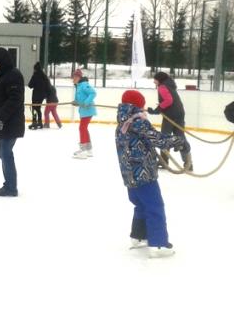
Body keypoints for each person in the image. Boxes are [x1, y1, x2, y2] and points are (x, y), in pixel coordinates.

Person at [115, 90, 188, 258]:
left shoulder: (122, 122)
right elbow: (159, 140)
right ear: (137, 105)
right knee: (155, 206)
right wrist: (180, 141)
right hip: (143, 173)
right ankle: (159, 244)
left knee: (141, 205)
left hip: (129, 174)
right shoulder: (138, 122)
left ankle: (139, 236)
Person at [0, 47, 25, 197]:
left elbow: (14, 99)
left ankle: (11, 187)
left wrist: (0, 118)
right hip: (7, 122)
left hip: (11, 122)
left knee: (5, 152)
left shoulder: (13, 76)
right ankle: (9, 184)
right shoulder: (5, 75)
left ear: (1, 61)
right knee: (3, 152)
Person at [147, 71, 192, 169]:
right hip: (179, 114)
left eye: (155, 80)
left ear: (159, 79)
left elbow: (168, 100)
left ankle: (164, 162)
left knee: (164, 138)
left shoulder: (162, 87)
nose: (154, 82)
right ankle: (189, 163)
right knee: (180, 137)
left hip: (170, 116)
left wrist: (156, 110)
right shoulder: (170, 85)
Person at [72, 68, 97, 159]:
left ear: (79, 77)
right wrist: (76, 102)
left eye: (75, 76)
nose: (73, 78)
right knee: (84, 128)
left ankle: (83, 150)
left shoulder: (84, 85)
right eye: (73, 77)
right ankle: (89, 150)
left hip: (88, 110)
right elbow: (79, 99)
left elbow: (93, 93)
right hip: (84, 111)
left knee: (82, 128)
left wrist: (86, 102)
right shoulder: (78, 86)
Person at [27, 62, 48, 130]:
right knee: (38, 108)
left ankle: (34, 122)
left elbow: (30, 85)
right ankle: (40, 122)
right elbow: (47, 85)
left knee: (34, 108)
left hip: (36, 95)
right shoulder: (44, 76)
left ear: (35, 69)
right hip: (42, 95)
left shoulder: (35, 75)